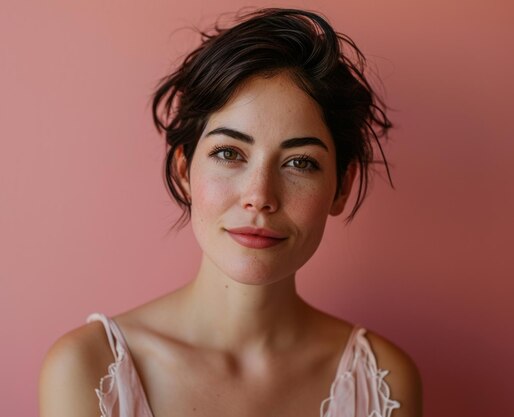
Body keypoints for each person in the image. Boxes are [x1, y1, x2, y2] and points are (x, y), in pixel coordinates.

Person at [39, 8, 422, 417]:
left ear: (340, 188)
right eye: (229, 153)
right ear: (184, 171)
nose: (259, 197)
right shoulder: (87, 369)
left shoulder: (384, 380)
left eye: (300, 162)